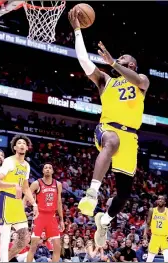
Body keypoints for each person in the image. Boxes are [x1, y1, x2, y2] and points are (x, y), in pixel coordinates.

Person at [68, 7, 150, 247]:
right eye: (119, 58)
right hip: (106, 129)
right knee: (112, 141)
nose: (120, 60)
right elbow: (84, 61)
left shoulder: (141, 80)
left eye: (125, 59)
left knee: (124, 194)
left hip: (130, 137)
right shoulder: (106, 80)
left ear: (131, 64)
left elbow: (136, 79)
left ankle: (104, 221)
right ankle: (92, 194)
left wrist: (114, 61)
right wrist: (77, 31)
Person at [0, 135, 39, 261]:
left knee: (25, 237)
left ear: (27, 147)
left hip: (17, 203)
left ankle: (4, 260)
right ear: (15, 147)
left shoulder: (26, 165)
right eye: (19, 143)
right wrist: (13, 185)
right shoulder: (8, 161)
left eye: (24, 143)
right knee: (5, 237)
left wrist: (34, 204)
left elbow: (25, 188)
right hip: (5, 199)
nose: (21, 145)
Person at [25, 162, 64, 262]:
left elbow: (59, 202)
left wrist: (62, 220)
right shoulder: (36, 183)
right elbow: (26, 197)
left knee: (57, 247)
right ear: (42, 171)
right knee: (33, 247)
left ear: (52, 171)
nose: (47, 169)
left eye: (49, 168)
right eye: (45, 168)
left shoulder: (58, 184)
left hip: (52, 217)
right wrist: (23, 210)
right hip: (40, 216)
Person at [144, 195, 168, 262]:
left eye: (162, 199)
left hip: (165, 237)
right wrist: (144, 233)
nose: (160, 200)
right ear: (157, 201)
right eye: (159, 199)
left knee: (167, 259)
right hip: (155, 237)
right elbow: (148, 223)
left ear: (165, 202)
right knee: (149, 259)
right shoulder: (151, 210)